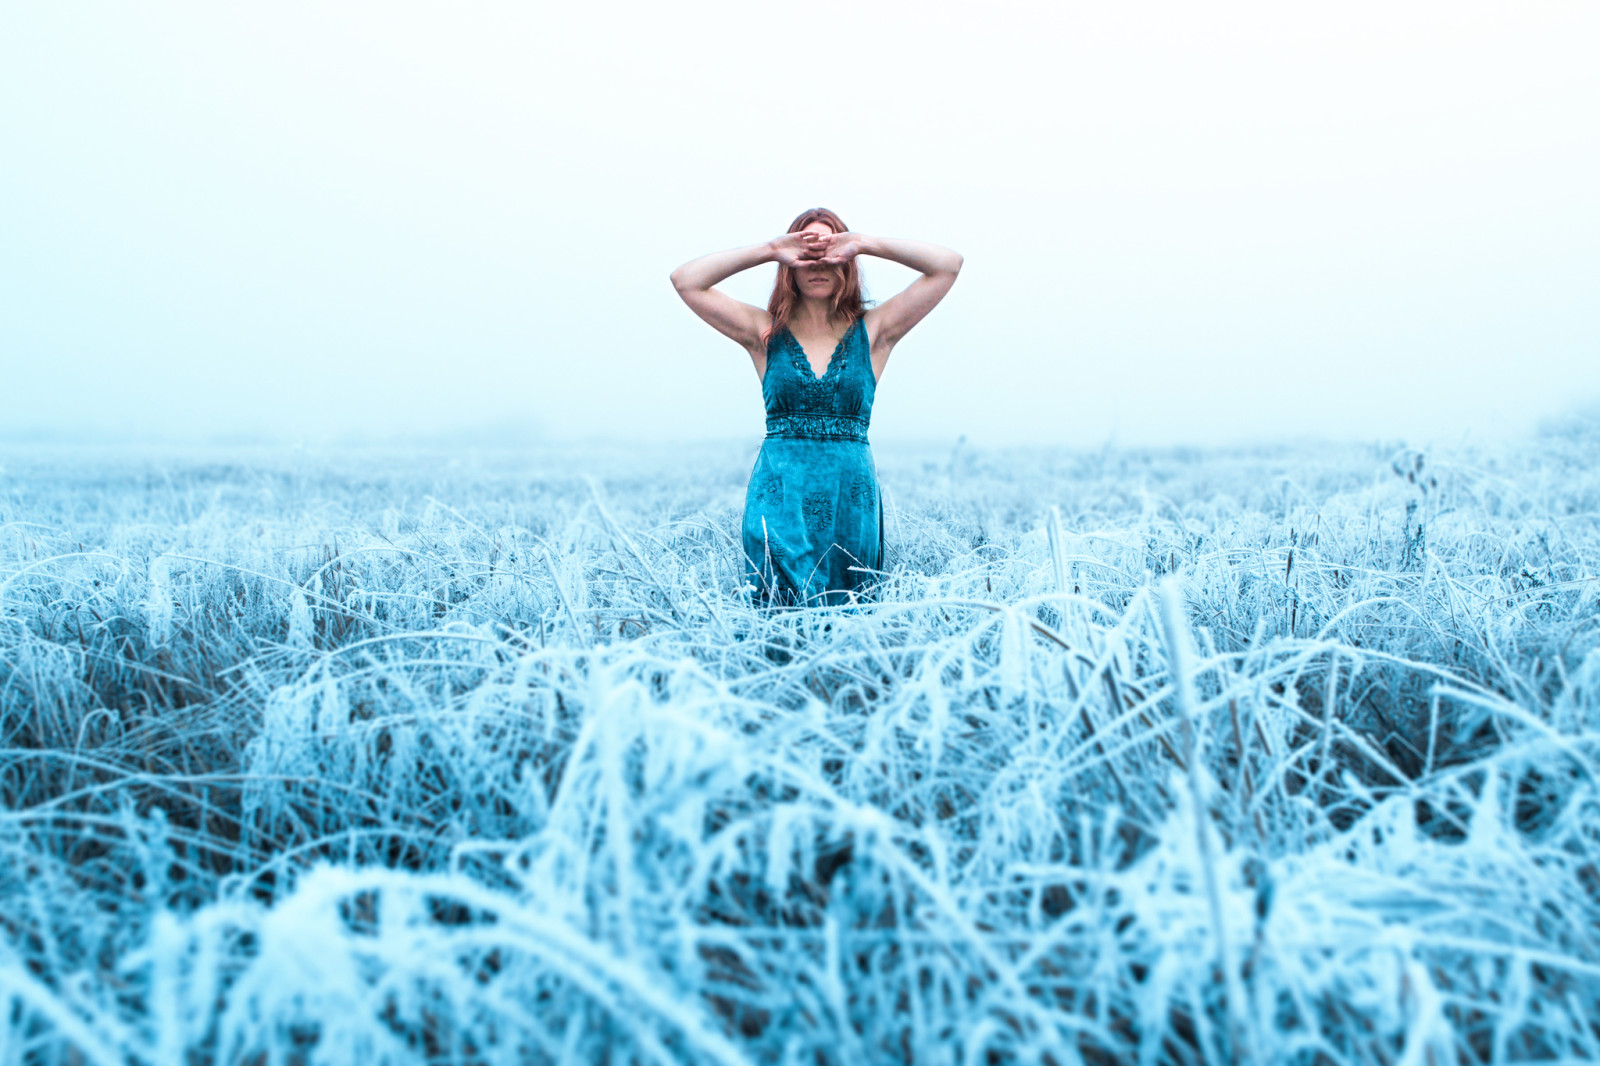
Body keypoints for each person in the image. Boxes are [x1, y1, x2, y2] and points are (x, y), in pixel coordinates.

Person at [670, 208, 962, 607]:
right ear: (790, 265)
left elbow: (947, 266)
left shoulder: (875, 332)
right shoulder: (763, 332)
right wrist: (772, 248)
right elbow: (686, 281)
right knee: (777, 615)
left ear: (848, 263)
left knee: (850, 618)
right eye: (807, 253)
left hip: (851, 501)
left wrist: (862, 243)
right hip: (779, 499)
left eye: (830, 253)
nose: (819, 263)